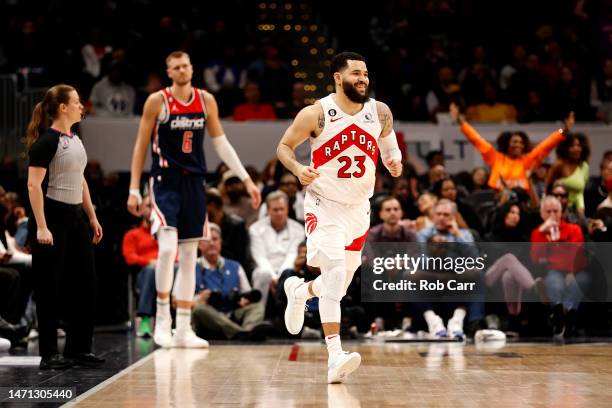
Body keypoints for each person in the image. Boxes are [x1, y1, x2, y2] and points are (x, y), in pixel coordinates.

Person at [277, 52, 403, 383]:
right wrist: (297, 168)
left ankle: (300, 292)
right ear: (337, 77)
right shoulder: (316, 113)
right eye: (356, 74)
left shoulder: (380, 112)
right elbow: (284, 147)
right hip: (324, 204)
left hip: (359, 209)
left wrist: (393, 161)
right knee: (334, 274)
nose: (363, 79)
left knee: (339, 285)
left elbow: (390, 147)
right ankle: (335, 355)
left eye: (366, 74)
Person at [126, 51, 261, 349]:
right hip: (164, 183)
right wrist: (134, 188)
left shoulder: (205, 100)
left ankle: (184, 327)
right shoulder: (157, 101)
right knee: (166, 252)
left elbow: (221, 144)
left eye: (186, 65)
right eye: (176, 67)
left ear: (191, 67)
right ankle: (163, 319)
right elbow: (140, 146)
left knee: (189, 257)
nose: (183, 70)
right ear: (169, 72)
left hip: (195, 184)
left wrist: (247, 179)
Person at [26, 84, 104, 369]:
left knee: (85, 283)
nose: (81, 106)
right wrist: (42, 227)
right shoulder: (46, 142)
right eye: (76, 102)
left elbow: (80, 179)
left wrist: (92, 217)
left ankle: (78, 348)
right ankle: (49, 353)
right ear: (62, 107)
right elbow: (34, 186)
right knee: (49, 287)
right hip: (53, 217)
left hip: (76, 219)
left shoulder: (75, 138)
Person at [449, 102, 574, 191]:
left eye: (521, 142)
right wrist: (460, 121)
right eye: (514, 142)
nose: (518, 145)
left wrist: (564, 131)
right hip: (498, 203)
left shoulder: (528, 160)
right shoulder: (496, 158)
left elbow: (547, 145)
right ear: (507, 144)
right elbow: (476, 139)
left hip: (521, 205)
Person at [191, 224, 267, 341]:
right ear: (199, 244)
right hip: (208, 317)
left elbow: (247, 293)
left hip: (232, 312)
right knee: (199, 309)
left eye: (215, 239)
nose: (212, 243)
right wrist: (198, 299)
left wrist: (245, 300)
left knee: (257, 307)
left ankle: (247, 329)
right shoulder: (190, 267)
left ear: (220, 242)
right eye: (207, 240)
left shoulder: (235, 266)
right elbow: (176, 301)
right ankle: (242, 333)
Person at [531, 196, 588, 338]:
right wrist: (541, 233)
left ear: (561, 212)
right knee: (554, 282)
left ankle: (567, 314)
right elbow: (535, 258)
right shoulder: (537, 233)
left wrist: (571, 271)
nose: (552, 215)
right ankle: (560, 313)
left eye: (555, 211)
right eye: (548, 211)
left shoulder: (573, 229)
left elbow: (578, 254)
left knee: (580, 281)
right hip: (553, 271)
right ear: (542, 214)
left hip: (576, 270)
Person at [249, 191, 305, 306]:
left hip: (288, 269)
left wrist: (280, 277)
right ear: (268, 210)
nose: (279, 213)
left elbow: (292, 255)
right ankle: (257, 315)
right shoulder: (255, 228)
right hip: (264, 269)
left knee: (290, 274)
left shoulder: (298, 229)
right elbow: (259, 256)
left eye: (282, 209)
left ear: (287, 209)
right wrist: (274, 277)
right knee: (262, 274)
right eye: (275, 210)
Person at [546, 133, 591, 215]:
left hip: (578, 208)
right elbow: (547, 187)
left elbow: (580, 193)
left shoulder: (584, 166)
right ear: (565, 149)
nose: (577, 149)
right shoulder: (559, 165)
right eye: (572, 146)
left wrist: (581, 210)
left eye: (578, 145)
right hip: (557, 209)